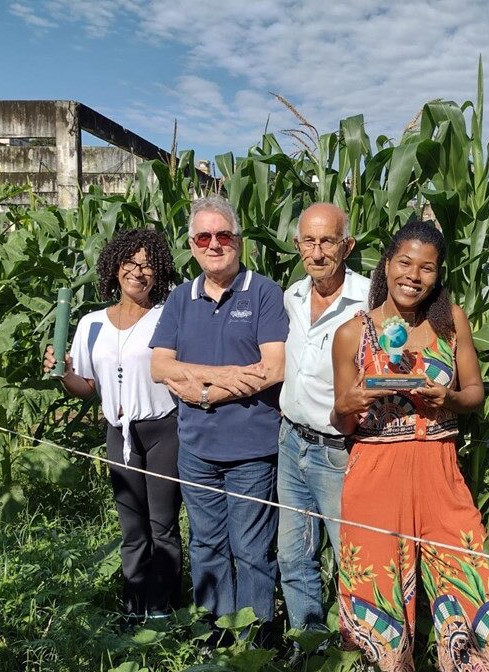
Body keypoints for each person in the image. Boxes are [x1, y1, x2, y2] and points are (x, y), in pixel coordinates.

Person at [330, 221, 489, 671]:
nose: (413, 276)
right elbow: (341, 421)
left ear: (438, 274)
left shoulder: (450, 322)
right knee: (377, 589)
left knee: (475, 578)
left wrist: (448, 398)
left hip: (440, 470)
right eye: (405, 263)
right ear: (387, 264)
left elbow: (474, 392)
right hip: (375, 474)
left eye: (427, 268)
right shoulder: (352, 333)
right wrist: (352, 402)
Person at [150, 195, 288, 626]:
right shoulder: (180, 298)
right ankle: (215, 635)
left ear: (238, 241)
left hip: (251, 449)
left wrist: (206, 393)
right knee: (206, 545)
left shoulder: (264, 293)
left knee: (251, 550)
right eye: (204, 236)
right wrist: (223, 374)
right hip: (196, 448)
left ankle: (255, 641)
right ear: (191, 244)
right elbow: (159, 366)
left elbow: (273, 368)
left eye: (223, 235)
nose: (214, 244)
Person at [43, 228, 183, 623]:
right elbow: (85, 388)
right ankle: (133, 606)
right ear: (115, 266)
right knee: (132, 526)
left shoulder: (166, 316)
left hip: (163, 430)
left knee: (163, 525)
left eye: (148, 265)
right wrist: (63, 373)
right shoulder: (91, 324)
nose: (139, 272)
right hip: (117, 433)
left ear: (160, 273)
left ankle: (163, 609)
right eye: (131, 262)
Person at [278, 203, 371, 633]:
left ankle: (362, 647)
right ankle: (309, 644)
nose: (317, 253)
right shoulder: (292, 295)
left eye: (328, 241)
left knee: (353, 557)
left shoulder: (370, 300)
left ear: (347, 245)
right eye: (309, 242)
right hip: (290, 442)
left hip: (340, 451)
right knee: (293, 555)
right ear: (298, 245)